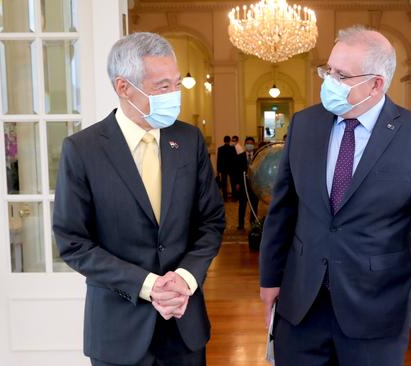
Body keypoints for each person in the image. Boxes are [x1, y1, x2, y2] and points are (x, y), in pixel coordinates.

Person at [259, 26, 411, 366]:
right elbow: (283, 210)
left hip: (376, 311)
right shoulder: (304, 125)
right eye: (328, 70)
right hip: (301, 305)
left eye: (342, 75)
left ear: (377, 84)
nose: (329, 81)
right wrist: (269, 279)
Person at [53, 32, 225, 366]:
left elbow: (212, 221)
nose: (174, 95)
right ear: (123, 87)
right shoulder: (83, 149)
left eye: (176, 84)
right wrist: (148, 285)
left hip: (184, 326)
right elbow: (73, 242)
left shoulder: (188, 141)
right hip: (118, 331)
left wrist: (185, 279)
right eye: (163, 86)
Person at [236, 136, 259, 230]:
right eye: (247, 143)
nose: (249, 145)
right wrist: (237, 183)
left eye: (251, 143)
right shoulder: (240, 156)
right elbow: (236, 170)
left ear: (254, 145)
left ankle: (253, 223)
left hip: (254, 186)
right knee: (242, 205)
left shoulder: (258, 156)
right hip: (243, 185)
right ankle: (241, 224)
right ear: (245, 145)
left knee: (254, 205)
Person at [217, 135, 237, 200]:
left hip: (223, 168)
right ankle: (234, 197)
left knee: (224, 184)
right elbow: (235, 159)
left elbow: (218, 160)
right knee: (233, 183)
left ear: (224, 140)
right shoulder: (233, 148)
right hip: (232, 168)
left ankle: (225, 197)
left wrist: (218, 170)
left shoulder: (220, 149)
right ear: (229, 140)